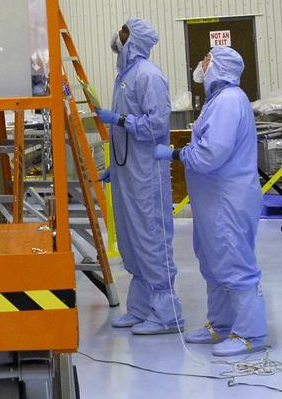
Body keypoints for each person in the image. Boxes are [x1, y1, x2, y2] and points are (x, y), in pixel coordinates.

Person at [157, 46, 268, 356]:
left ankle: (251, 334)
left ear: (219, 66)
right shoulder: (217, 100)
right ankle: (220, 324)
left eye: (206, 59)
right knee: (213, 261)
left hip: (228, 199)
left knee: (234, 261)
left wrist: (176, 154)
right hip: (213, 200)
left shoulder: (230, 101)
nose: (201, 63)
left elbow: (210, 154)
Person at [96, 18, 184, 334]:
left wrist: (119, 119)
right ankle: (142, 307)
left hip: (146, 175)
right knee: (131, 240)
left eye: (123, 32)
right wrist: (116, 167)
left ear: (134, 40)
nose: (117, 36)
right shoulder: (125, 76)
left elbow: (156, 125)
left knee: (150, 238)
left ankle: (167, 313)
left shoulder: (148, 75)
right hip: (128, 173)